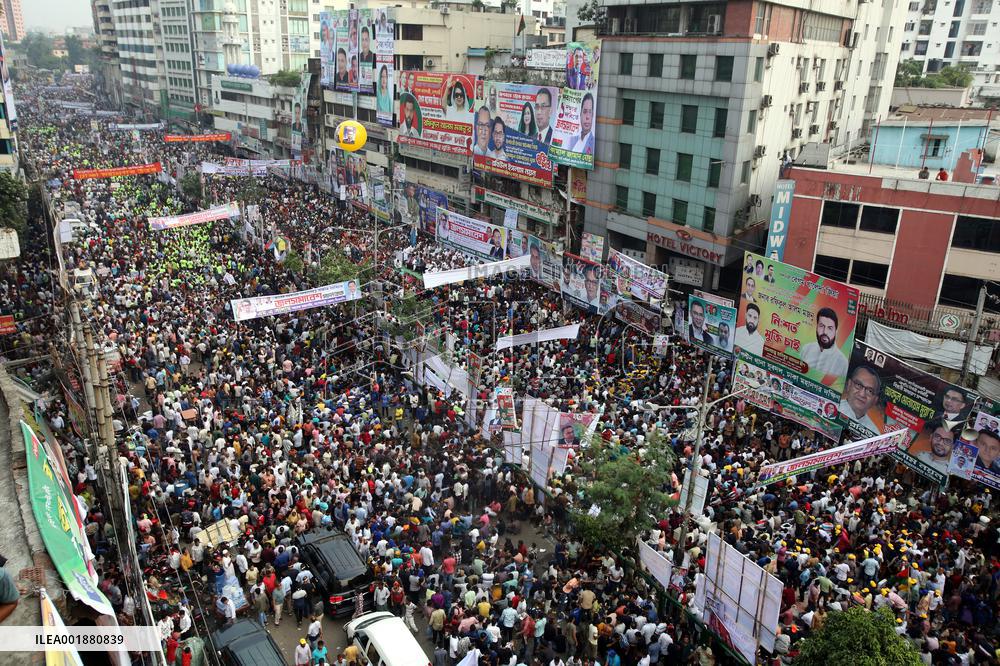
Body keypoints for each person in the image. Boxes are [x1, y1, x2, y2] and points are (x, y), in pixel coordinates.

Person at [800, 308, 849, 383]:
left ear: (836, 331)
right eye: (821, 326)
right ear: (816, 327)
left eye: (830, 328)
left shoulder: (843, 363)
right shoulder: (806, 349)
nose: (825, 332)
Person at [839, 365, 883, 434]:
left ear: (875, 400)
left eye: (870, 391)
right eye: (858, 385)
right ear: (849, 385)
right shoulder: (832, 407)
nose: (862, 394)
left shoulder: (874, 432)